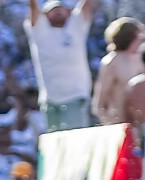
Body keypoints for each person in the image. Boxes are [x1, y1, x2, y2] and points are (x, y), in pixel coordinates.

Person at [26, 0, 95, 131]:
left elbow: (87, 5)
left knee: (76, 142)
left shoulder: (77, 27)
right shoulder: (39, 31)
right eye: (53, 9)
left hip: (75, 98)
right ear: (45, 15)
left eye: (61, 7)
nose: (57, 10)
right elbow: (33, 8)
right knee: (53, 146)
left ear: (69, 12)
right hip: (50, 100)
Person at [92, 18, 145, 126]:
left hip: (140, 123)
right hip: (119, 123)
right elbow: (100, 102)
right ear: (130, 37)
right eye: (139, 36)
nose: (141, 40)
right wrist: (109, 124)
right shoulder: (111, 63)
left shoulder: (140, 59)